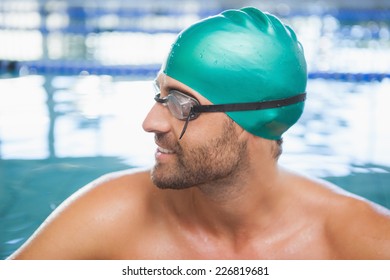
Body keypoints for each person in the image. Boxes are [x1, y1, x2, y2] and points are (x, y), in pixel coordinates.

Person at [8, 7, 390, 260]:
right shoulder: (107, 213)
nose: (150, 122)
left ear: (256, 122)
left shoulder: (360, 245)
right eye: (160, 95)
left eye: (182, 104)